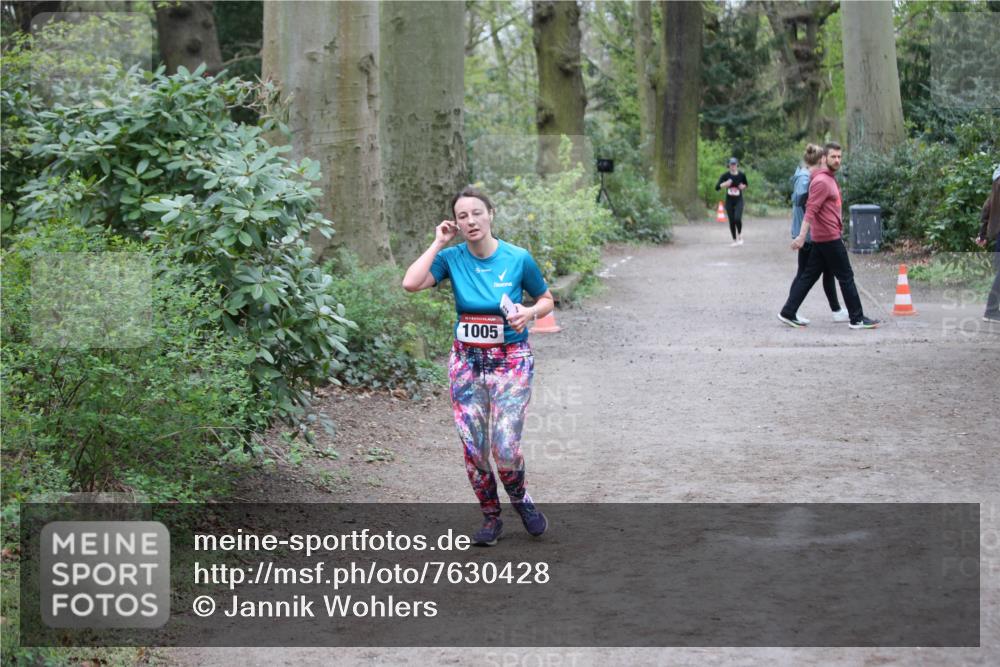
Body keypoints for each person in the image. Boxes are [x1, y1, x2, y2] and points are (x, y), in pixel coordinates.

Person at [402, 186, 555, 546]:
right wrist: (438, 243)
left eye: (476, 213)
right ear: (454, 223)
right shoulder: (452, 258)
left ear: (491, 215)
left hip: (510, 361)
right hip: (466, 362)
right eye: (461, 216)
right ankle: (490, 517)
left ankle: (521, 499)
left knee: (504, 445)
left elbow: (546, 299)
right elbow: (410, 283)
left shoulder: (518, 258)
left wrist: (529, 313)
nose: (470, 221)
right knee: (474, 446)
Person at [778, 142, 881, 330]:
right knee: (846, 276)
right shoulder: (822, 181)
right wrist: (801, 237)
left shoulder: (827, 178)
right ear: (824, 158)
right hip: (829, 238)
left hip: (823, 238)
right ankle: (857, 319)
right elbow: (810, 210)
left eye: (840, 157)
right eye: (833, 156)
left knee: (809, 276)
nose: (837, 160)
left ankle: (788, 311)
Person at [788, 144, 849, 325]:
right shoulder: (806, 178)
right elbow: (799, 199)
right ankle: (790, 310)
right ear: (821, 160)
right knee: (804, 275)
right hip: (808, 236)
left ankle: (836, 310)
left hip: (814, 234)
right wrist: (815, 195)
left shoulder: (807, 176)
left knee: (827, 273)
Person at [976, 165, 1000, 323]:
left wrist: (982, 234)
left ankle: (991, 310)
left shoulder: (996, 182)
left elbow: (987, 207)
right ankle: (990, 310)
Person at [716, 157, 749, 246]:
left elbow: (746, 184)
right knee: (731, 220)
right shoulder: (725, 175)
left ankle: (740, 235)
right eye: (731, 164)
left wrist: (743, 187)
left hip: (739, 200)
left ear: (737, 165)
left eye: (734, 164)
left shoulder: (742, 175)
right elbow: (717, 187)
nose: (733, 166)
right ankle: (734, 240)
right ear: (729, 166)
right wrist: (725, 184)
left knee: (737, 218)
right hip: (729, 201)